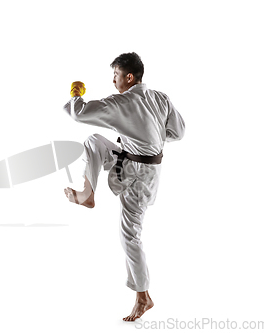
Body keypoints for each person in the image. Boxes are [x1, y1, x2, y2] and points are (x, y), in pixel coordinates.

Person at [63, 52, 185, 321]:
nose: (113, 80)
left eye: (116, 75)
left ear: (129, 77)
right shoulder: (160, 98)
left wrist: (76, 93)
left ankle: (144, 297)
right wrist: (147, 135)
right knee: (95, 141)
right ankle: (87, 193)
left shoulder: (121, 102)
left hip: (139, 175)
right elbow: (178, 131)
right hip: (136, 160)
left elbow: (79, 112)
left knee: (130, 235)